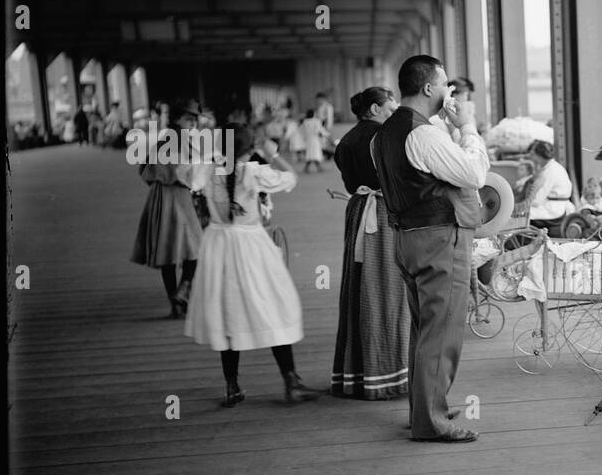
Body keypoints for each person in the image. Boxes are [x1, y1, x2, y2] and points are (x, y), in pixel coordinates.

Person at [372, 55, 488, 443]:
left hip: (407, 238)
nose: (448, 91)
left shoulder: (384, 133)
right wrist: (468, 127)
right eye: (443, 85)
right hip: (440, 238)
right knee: (442, 332)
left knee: (425, 329)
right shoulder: (423, 134)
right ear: (427, 88)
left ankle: (424, 408)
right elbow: (473, 174)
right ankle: (431, 422)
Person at [184, 133, 319, 405]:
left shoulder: (206, 169)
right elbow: (291, 177)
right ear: (249, 150)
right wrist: (272, 154)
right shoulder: (252, 172)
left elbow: (188, 175)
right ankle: (291, 381)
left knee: (226, 314)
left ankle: (231, 386)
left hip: (217, 244)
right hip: (251, 246)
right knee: (274, 305)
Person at [330, 86, 411, 400]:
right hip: (382, 213)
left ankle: (357, 373)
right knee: (388, 291)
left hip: (357, 213)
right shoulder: (383, 138)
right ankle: (389, 374)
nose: (393, 116)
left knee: (359, 289)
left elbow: (351, 182)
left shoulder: (346, 140)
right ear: (375, 109)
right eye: (390, 110)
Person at [129, 100, 202, 318]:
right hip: (178, 196)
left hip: (158, 198)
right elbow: (190, 172)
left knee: (166, 252)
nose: (193, 123)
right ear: (177, 119)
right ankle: (184, 289)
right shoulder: (182, 140)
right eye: (189, 118)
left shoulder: (164, 139)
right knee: (196, 248)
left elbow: (144, 169)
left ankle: (175, 302)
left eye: (195, 119)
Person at [524, 139, 576, 228]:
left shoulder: (550, 171)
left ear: (539, 155)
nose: (530, 156)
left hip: (554, 209)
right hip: (552, 205)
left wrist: (522, 204)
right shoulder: (550, 167)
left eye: (533, 154)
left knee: (523, 216)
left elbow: (537, 200)